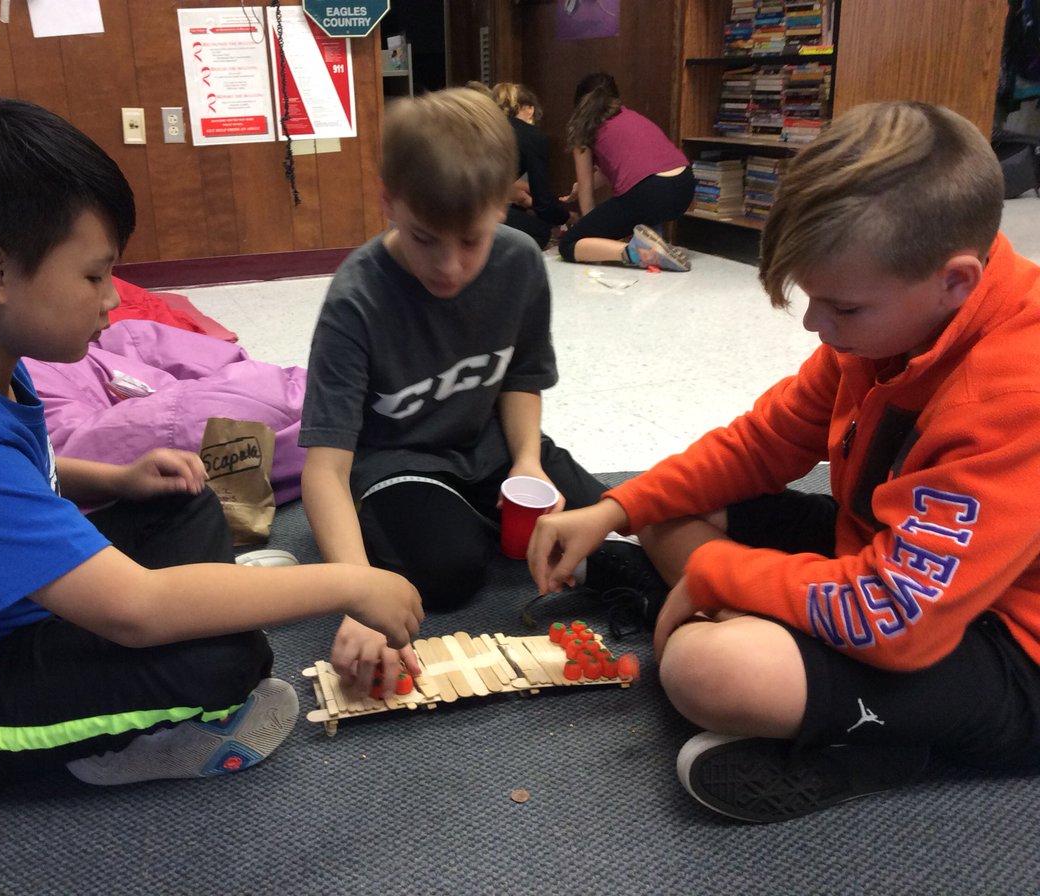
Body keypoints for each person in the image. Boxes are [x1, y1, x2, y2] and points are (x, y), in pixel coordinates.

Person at [0, 98, 423, 803]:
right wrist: (352, 583)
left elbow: (12, 476)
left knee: (182, 494)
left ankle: (212, 596)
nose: (113, 299)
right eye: (93, 276)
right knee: (224, 661)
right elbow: (134, 610)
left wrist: (114, 475)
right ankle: (108, 748)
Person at [528, 100, 1040, 824]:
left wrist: (717, 573)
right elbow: (759, 445)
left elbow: (896, 616)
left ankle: (881, 742)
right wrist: (617, 507)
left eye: (843, 307)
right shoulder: (888, 329)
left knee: (707, 669)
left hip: (1010, 650)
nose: (813, 325)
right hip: (887, 564)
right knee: (664, 507)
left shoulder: (1015, 392)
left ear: (954, 281)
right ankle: (779, 653)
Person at [299, 87, 652, 695]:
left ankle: (508, 528)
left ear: (504, 208)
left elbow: (520, 377)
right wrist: (355, 594)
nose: (450, 267)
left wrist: (527, 461)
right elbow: (325, 470)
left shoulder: (518, 262)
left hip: (493, 450)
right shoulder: (354, 300)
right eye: (424, 238)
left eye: (472, 240)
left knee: (615, 520)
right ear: (389, 201)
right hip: (399, 463)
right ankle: (461, 534)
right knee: (447, 576)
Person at [557, 72, 694, 272]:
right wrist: (579, 187)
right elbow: (616, 168)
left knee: (569, 244)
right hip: (683, 187)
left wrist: (591, 235)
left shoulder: (583, 129)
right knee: (638, 204)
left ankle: (640, 251)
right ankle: (655, 242)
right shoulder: (630, 116)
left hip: (649, 192)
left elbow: (587, 195)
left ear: (578, 103)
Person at [491, 82, 570, 250]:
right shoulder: (531, 136)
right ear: (529, 108)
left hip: (454, 201)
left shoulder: (488, 128)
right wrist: (569, 217)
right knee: (540, 230)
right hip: (481, 209)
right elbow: (544, 204)